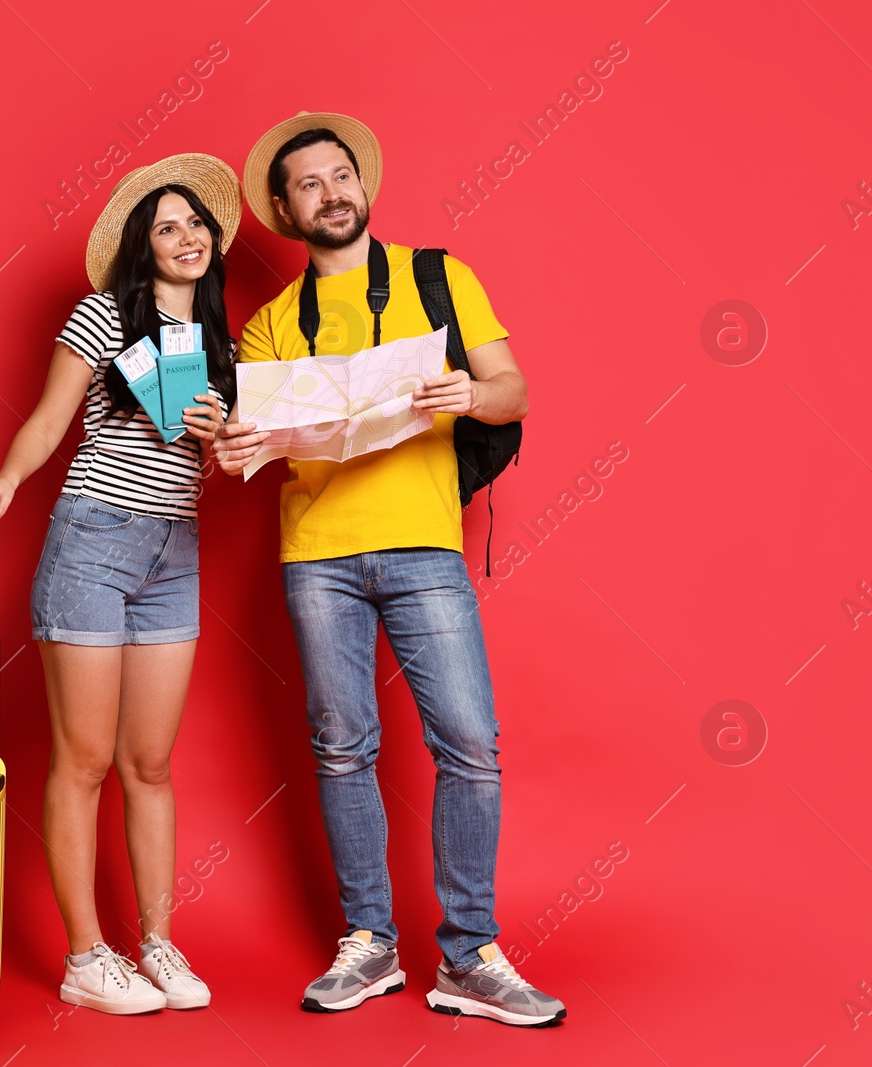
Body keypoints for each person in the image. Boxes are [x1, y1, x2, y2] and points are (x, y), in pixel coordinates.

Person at [214, 112, 565, 1027]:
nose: (331, 193)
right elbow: (252, 448)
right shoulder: (267, 325)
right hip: (317, 554)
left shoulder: (437, 277)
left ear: (361, 186)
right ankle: (368, 941)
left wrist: (470, 392)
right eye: (310, 185)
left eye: (341, 176)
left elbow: (513, 389)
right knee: (341, 746)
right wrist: (235, 444)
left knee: (470, 743)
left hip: (422, 542)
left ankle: (471, 954)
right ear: (288, 211)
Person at [0, 153, 240, 1015]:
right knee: (83, 760)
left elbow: (226, 464)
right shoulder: (102, 317)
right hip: (93, 539)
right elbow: (51, 417)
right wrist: (8, 478)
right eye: (167, 227)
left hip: (176, 550)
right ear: (141, 246)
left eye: (195, 223)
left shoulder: (220, 340)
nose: (186, 237)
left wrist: (224, 431)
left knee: (150, 763)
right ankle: (86, 956)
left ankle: (156, 940)